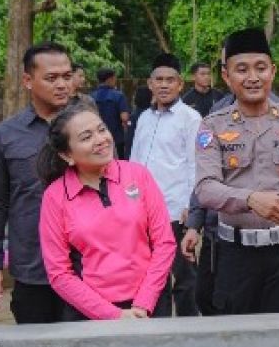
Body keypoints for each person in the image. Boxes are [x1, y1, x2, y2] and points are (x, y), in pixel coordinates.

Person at [193, 28, 279, 314]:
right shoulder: (212, 126)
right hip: (235, 255)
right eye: (242, 69)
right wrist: (250, 199)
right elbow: (205, 188)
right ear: (226, 76)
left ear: (273, 71)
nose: (253, 77)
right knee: (237, 335)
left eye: (261, 67)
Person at [38, 100, 176, 319]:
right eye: (86, 137)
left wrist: (144, 303)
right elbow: (59, 273)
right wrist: (113, 315)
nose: (100, 140)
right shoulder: (55, 197)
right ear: (67, 155)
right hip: (90, 312)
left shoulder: (138, 175)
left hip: (150, 303)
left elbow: (164, 243)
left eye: (101, 130)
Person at [0, 42, 74, 324]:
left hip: (87, 266)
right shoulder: (6, 135)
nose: (62, 85)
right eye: (51, 78)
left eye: (67, 76)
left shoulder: (90, 129)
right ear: (28, 81)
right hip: (33, 266)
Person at [130, 53, 203, 316]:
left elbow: (196, 164)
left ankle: (187, 327)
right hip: (143, 211)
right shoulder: (144, 118)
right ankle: (157, 325)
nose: (163, 85)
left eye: (169, 80)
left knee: (184, 276)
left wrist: (191, 207)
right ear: (150, 84)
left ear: (180, 84)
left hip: (175, 210)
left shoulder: (191, 118)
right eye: (158, 80)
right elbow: (134, 162)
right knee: (151, 275)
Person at [91, 68, 130, 159]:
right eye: (115, 78)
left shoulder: (91, 96)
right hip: (116, 137)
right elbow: (124, 117)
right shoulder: (118, 95)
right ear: (110, 79)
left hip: (97, 139)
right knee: (118, 163)